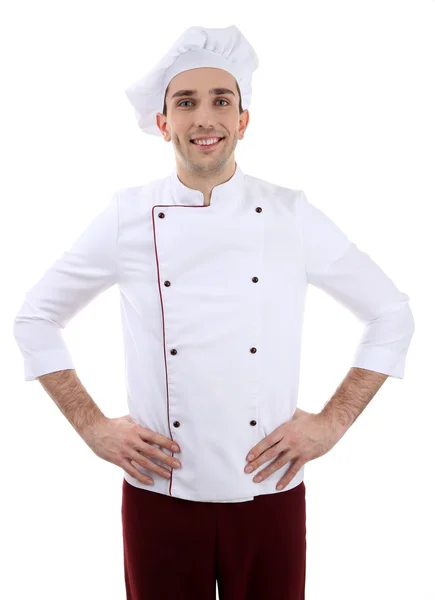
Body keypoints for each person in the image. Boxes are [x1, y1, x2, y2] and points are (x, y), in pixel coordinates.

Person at [13, 25, 415, 600]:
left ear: (243, 120)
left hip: (269, 489)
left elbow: (390, 313)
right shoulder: (128, 215)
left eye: (221, 101)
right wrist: (91, 426)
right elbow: (35, 318)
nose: (205, 118)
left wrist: (332, 423)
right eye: (186, 102)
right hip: (159, 495)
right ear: (163, 122)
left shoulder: (290, 214)